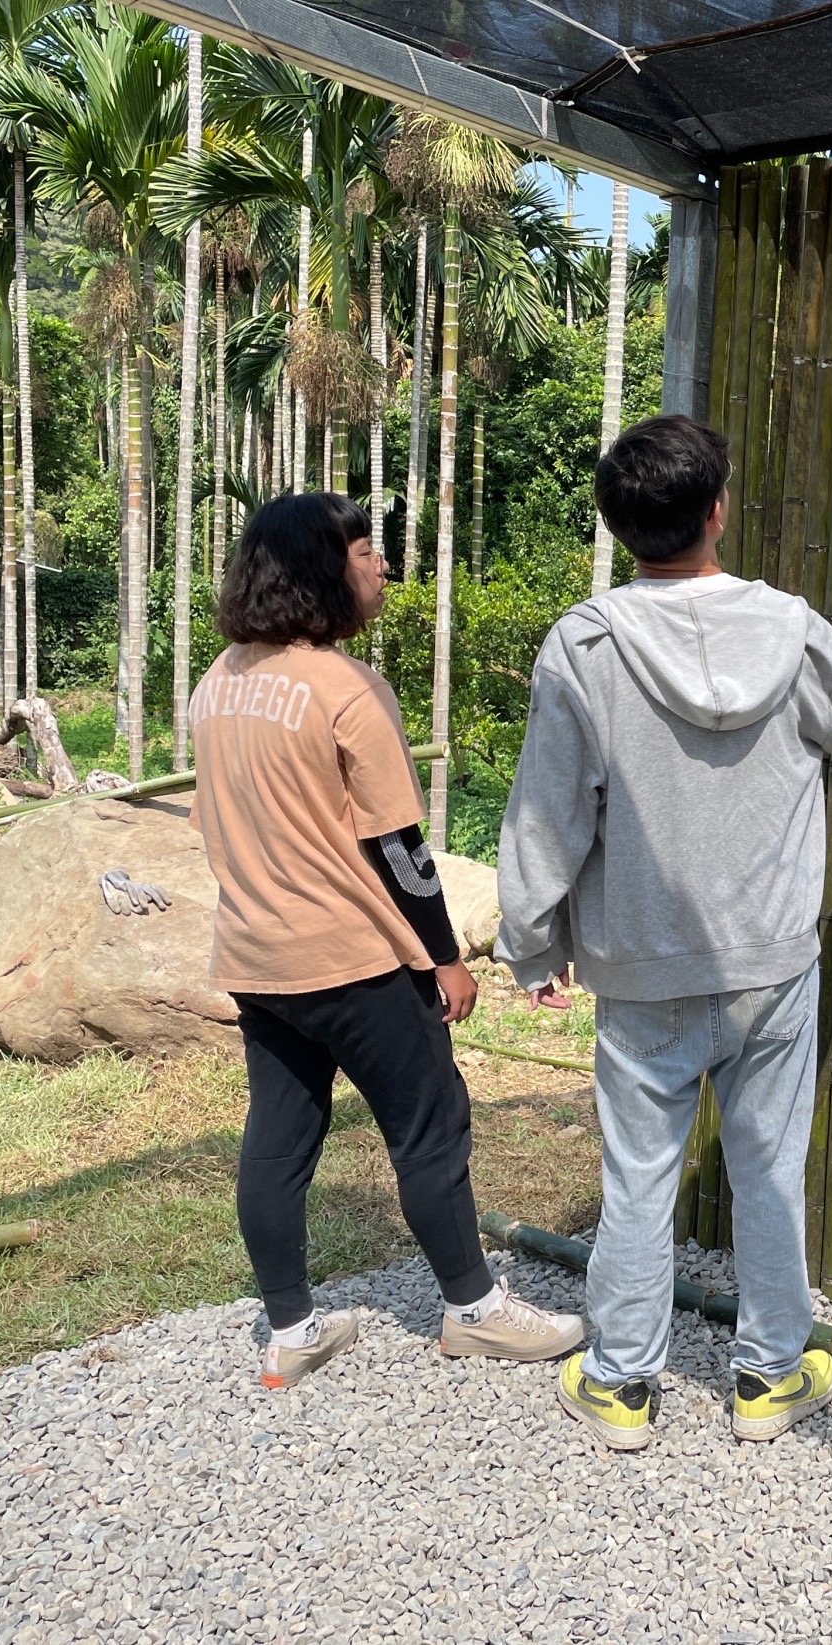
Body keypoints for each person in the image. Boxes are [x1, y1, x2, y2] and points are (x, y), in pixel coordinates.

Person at [496, 415, 832, 1452]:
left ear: (620, 528)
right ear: (717, 512)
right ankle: (769, 1378)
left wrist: (529, 940)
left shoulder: (587, 643)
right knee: (770, 1167)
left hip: (640, 962)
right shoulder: (786, 628)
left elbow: (546, 810)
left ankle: (619, 1386)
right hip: (772, 959)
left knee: (639, 1173)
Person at [192, 493, 583, 1390]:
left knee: (279, 1135)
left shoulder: (219, 682)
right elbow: (402, 850)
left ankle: (289, 1326)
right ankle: (475, 1309)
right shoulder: (346, 689)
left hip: (256, 957)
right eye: (366, 551)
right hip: (355, 958)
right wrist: (446, 955)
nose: (381, 567)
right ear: (321, 569)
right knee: (430, 1122)